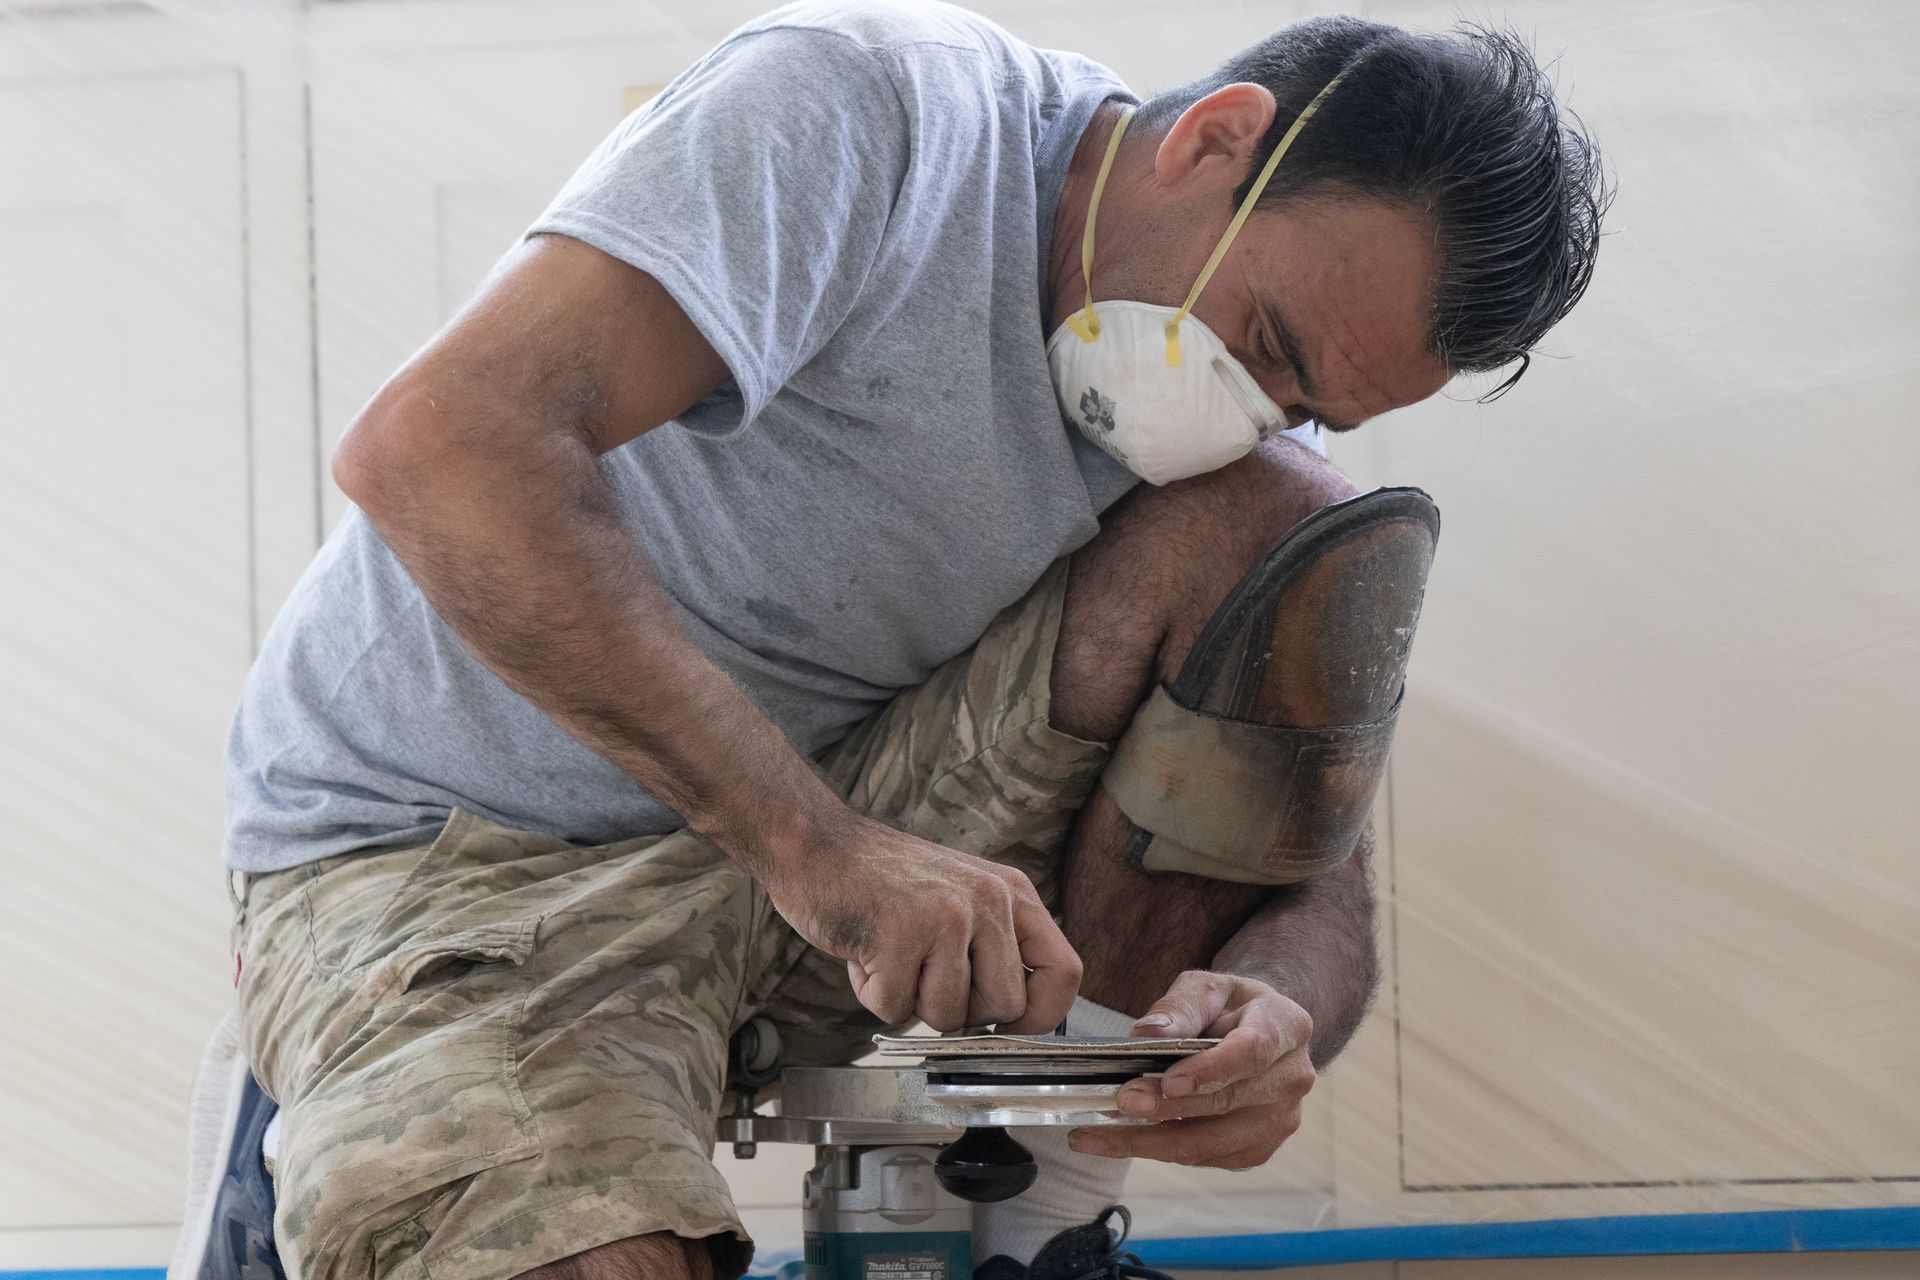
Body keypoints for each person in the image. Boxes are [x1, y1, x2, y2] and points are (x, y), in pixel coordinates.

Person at [216, 3, 1608, 1279]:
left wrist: (1273, 1007)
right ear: (1215, 138)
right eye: (1264, 339)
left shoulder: (1240, 430)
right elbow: (439, 449)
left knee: (1298, 524)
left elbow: (1314, 872)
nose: (1256, 403)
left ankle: (1031, 1222)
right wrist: (821, 852)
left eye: (1314, 396)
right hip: (448, 863)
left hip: (827, 835)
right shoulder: (869, 118)